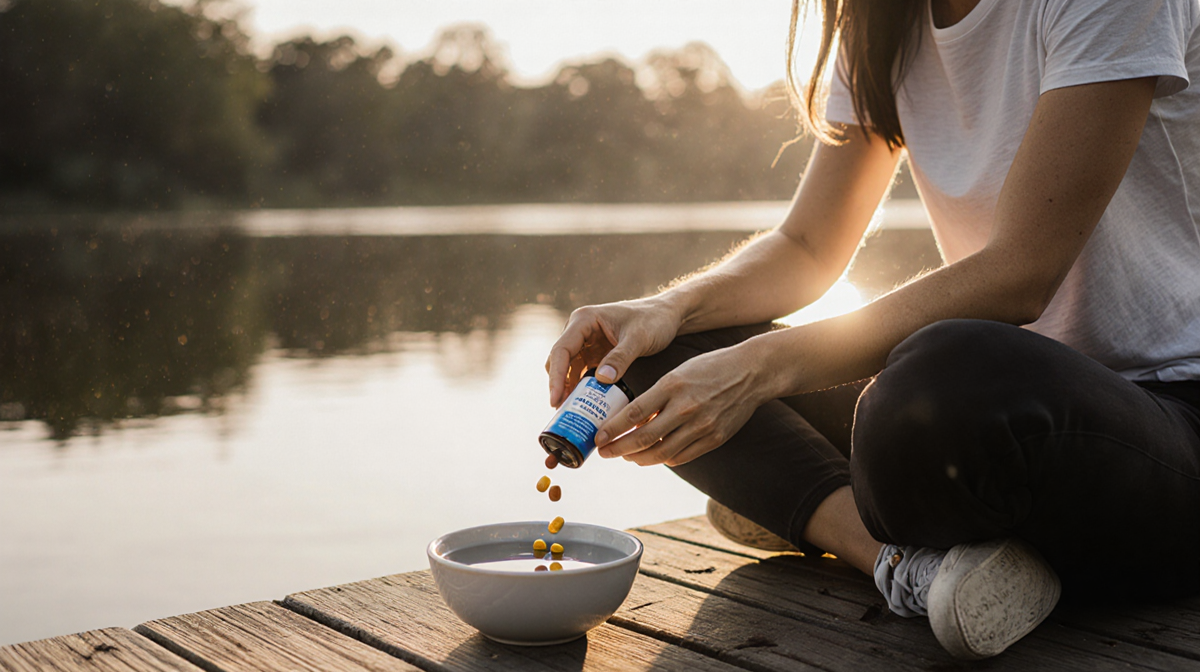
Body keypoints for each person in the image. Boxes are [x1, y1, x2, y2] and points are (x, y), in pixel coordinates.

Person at [544, 0, 1200, 660]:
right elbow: (806, 245)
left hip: (1169, 420)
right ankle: (894, 559)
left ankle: (801, 496)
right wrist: (668, 308)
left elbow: (1020, 272)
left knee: (938, 380)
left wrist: (759, 368)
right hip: (1015, 425)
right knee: (655, 352)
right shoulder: (884, 18)